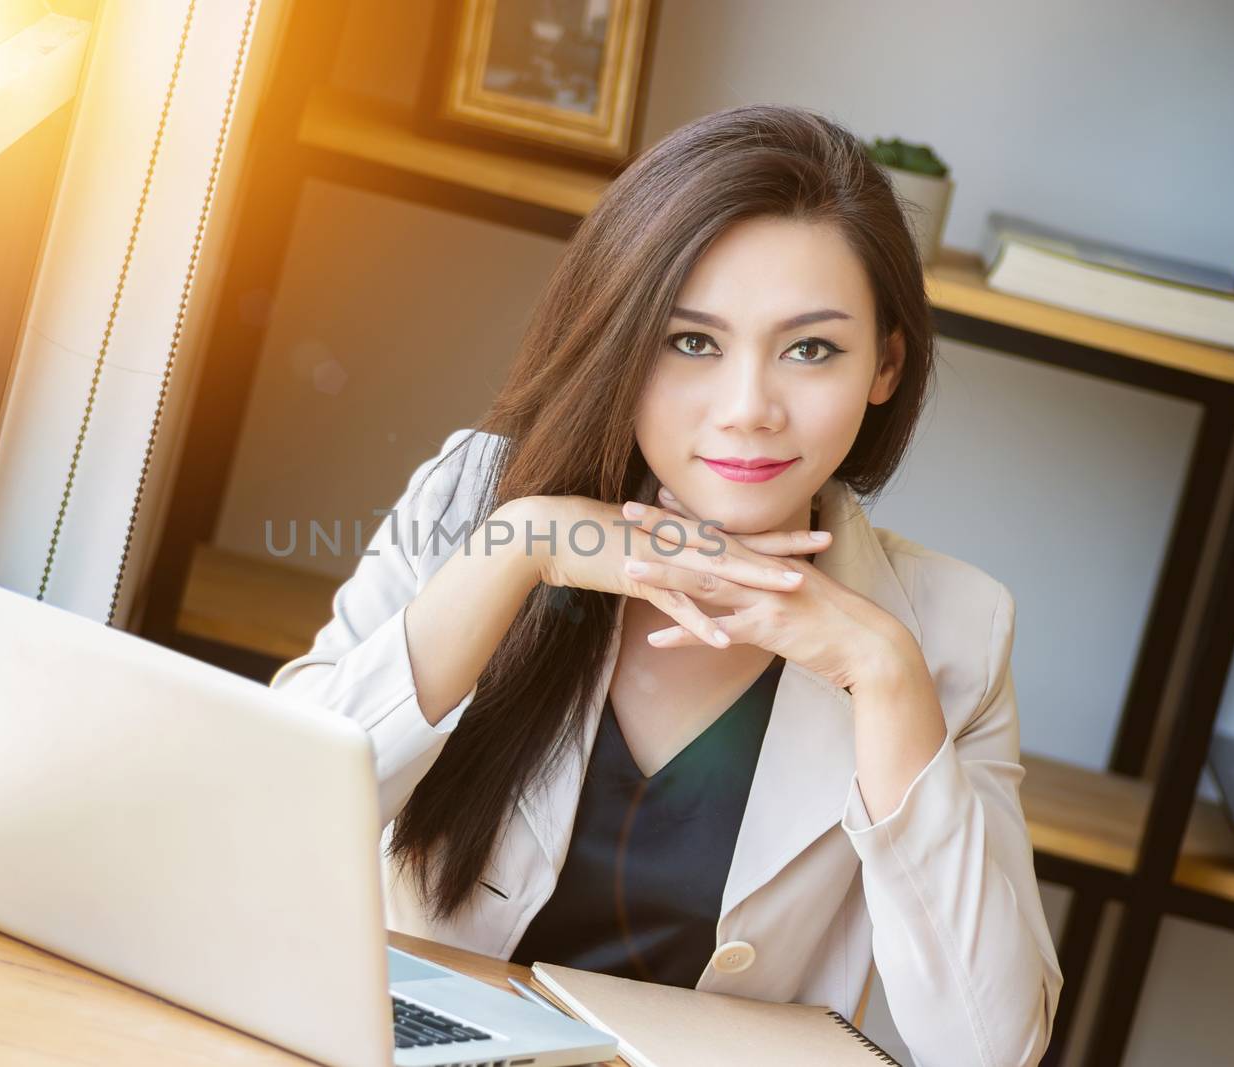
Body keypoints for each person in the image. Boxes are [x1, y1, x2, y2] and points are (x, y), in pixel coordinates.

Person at [270, 102, 1063, 1067]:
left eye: (811, 348)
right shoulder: (474, 501)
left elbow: (989, 1048)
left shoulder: (951, 632)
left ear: (885, 365)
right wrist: (515, 548)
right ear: (621, 340)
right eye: (692, 342)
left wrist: (883, 671)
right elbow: (267, 831)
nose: (748, 411)